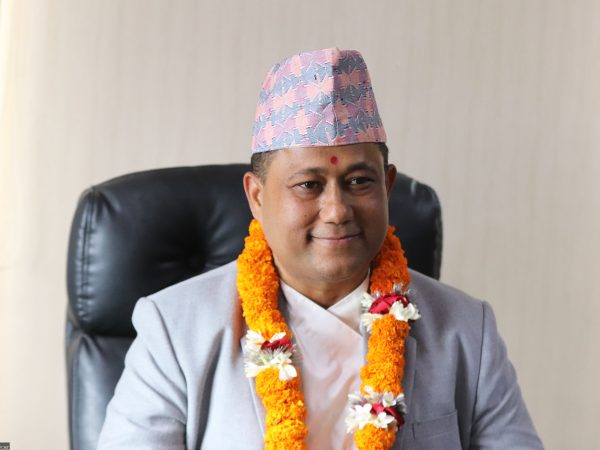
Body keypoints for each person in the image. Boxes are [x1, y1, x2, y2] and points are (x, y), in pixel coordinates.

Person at [97, 48, 544, 450]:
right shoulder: (175, 330)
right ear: (257, 197)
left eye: (359, 182)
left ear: (388, 187)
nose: (337, 210)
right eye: (309, 185)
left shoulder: (468, 331)